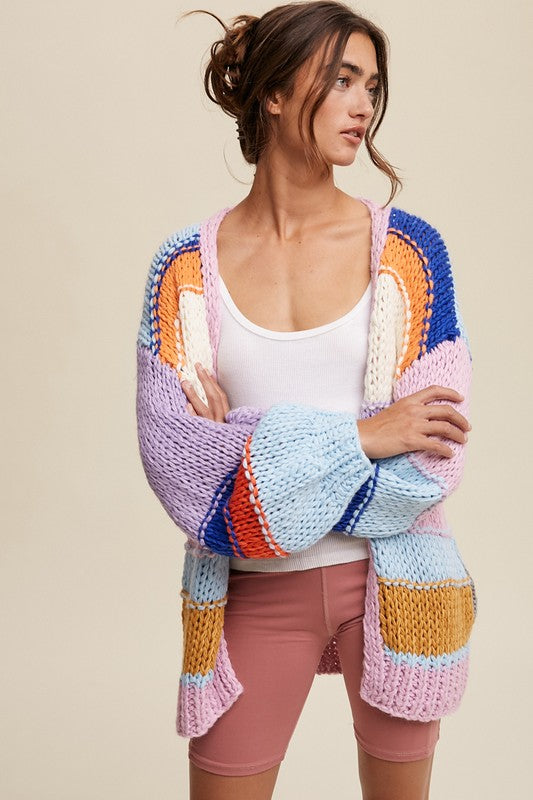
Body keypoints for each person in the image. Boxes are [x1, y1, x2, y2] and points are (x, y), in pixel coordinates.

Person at [137, 2, 475, 798]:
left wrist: (248, 452)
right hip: (250, 590)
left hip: (397, 586)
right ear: (273, 93)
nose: (363, 105)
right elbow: (180, 471)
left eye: (371, 85)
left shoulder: (410, 254)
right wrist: (363, 436)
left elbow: (431, 458)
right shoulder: (183, 270)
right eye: (341, 79)